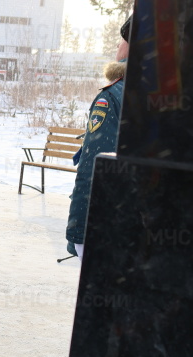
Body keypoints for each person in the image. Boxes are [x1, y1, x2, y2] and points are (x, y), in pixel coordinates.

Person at [66, 15, 131, 261]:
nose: (118, 46)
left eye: (122, 40)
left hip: (111, 226)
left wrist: (78, 233)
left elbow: (94, 169)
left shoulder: (113, 96)